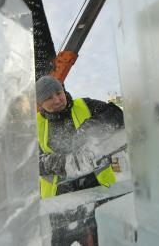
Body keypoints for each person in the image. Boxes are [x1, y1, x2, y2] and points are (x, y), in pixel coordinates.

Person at [36, 75, 124, 246]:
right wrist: (64, 163)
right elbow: (32, 161)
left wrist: (90, 128)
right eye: (48, 98)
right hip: (61, 200)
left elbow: (116, 114)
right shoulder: (34, 124)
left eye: (58, 93)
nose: (57, 100)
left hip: (97, 189)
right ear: (40, 105)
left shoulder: (85, 105)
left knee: (101, 239)